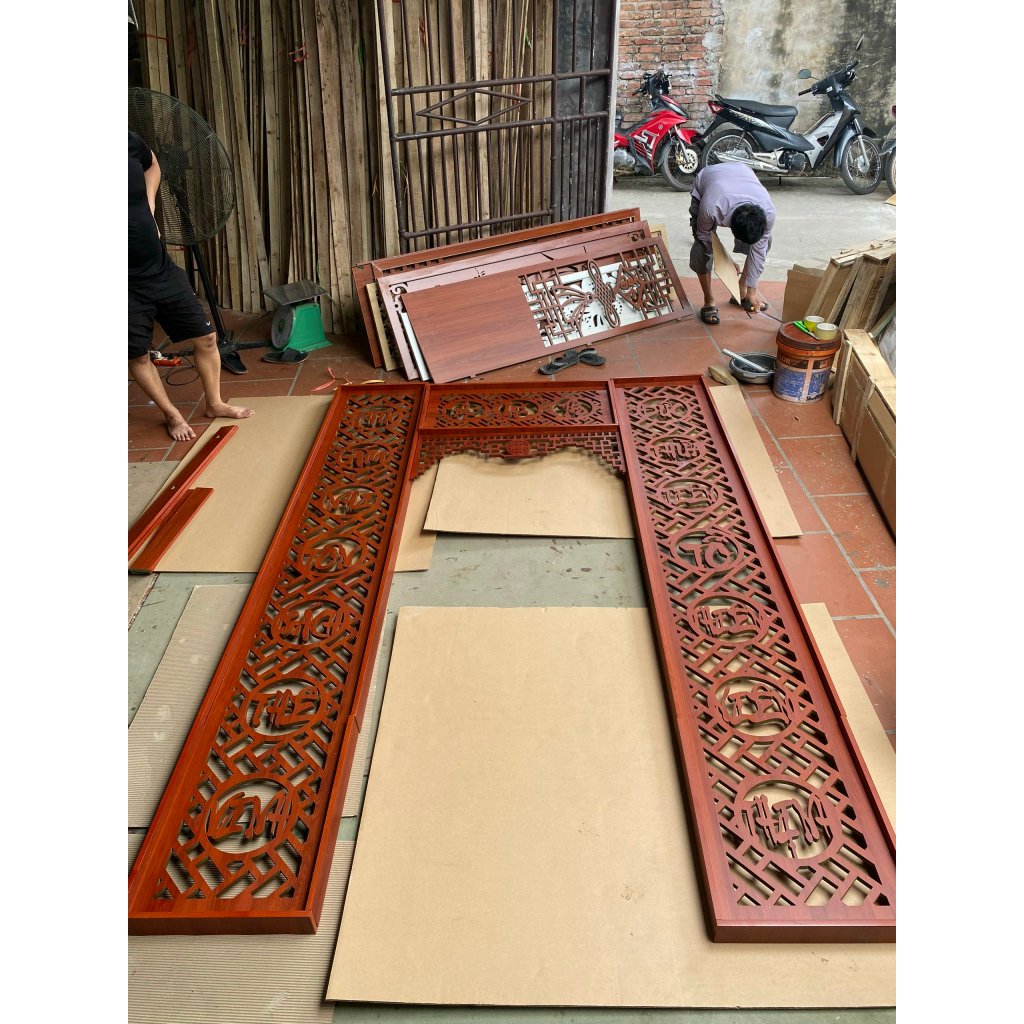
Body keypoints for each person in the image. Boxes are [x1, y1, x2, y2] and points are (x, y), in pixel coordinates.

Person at [129, 130, 252, 441]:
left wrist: (149, 205)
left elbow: (152, 164)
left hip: (160, 269)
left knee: (207, 338)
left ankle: (215, 403)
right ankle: (172, 415)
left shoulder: (124, 140)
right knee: (138, 356)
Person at [687, 162, 776, 326]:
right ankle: (708, 300)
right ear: (731, 228)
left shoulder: (768, 212)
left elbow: (759, 251)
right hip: (709, 180)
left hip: (740, 173)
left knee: (766, 242)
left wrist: (752, 292)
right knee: (702, 248)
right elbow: (705, 237)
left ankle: (742, 291)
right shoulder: (711, 209)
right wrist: (725, 261)